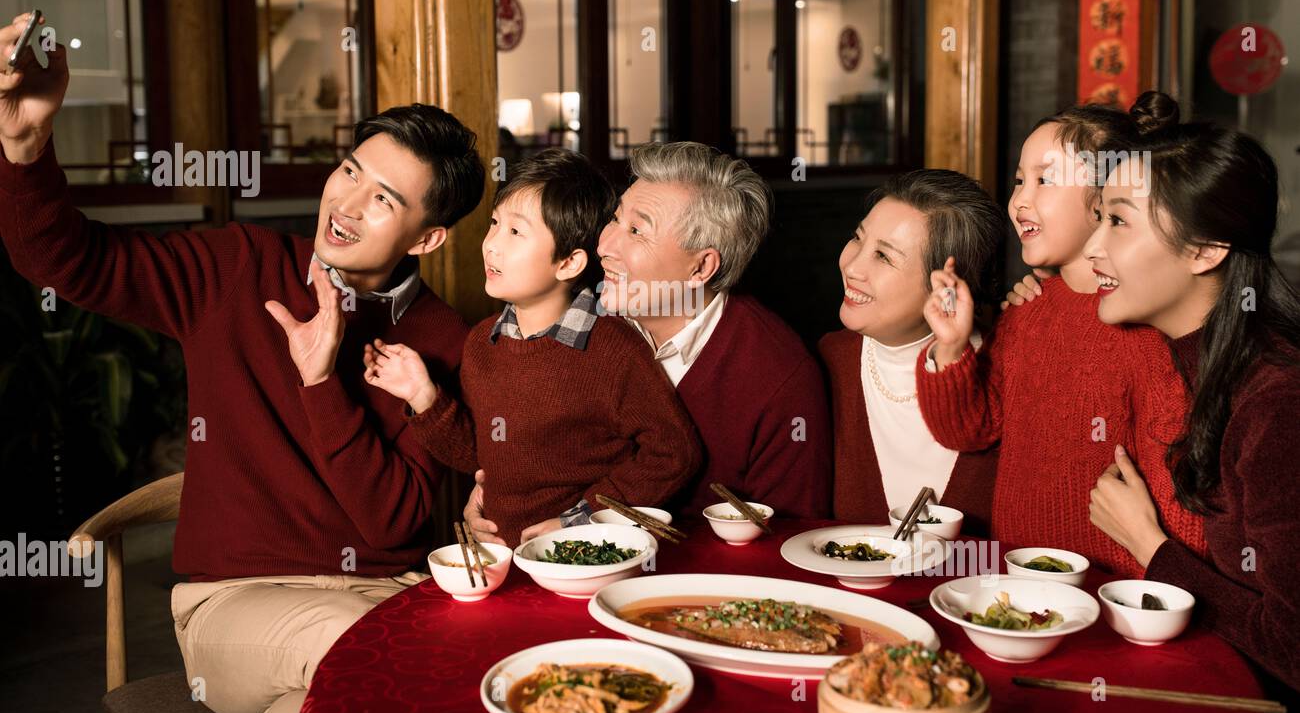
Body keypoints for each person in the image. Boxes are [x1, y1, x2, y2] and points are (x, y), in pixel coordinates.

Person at [0, 12, 484, 713]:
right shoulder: (236, 267)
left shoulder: (442, 336)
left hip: (384, 590)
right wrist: (25, 142)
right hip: (232, 607)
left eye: (383, 199)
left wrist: (322, 388)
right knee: (404, 657)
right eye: (350, 171)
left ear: (429, 235)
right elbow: (71, 261)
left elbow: (393, 521)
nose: (345, 206)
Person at [914, 101, 1207, 577]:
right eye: (1018, 180)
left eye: (1044, 180)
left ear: (1103, 200)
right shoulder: (1027, 312)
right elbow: (970, 430)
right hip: (1015, 578)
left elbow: (1180, 496)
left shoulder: (1146, 330)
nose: (1020, 201)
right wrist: (950, 346)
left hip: (1109, 592)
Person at [365, 149, 701, 547]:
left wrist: (582, 520)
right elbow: (481, 455)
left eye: (515, 232)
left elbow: (672, 453)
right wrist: (423, 396)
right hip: (503, 559)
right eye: (494, 224)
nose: (491, 245)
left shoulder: (612, 350)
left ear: (569, 263)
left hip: (582, 559)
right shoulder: (483, 343)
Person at [1083, 93, 1300, 693]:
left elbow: (1292, 643)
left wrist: (1151, 547)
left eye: (1119, 221)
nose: (1094, 246)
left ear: (1206, 249)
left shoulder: (1278, 400)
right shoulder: (1195, 356)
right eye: (1098, 217)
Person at [593, 141, 832, 517]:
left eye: (637, 230)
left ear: (701, 268)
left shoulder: (780, 376)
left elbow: (789, 541)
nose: (605, 245)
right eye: (615, 218)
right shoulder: (583, 326)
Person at [818, 169, 1001, 531]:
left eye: (883, 257)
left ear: (945, 286)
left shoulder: (1009, 370)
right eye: (858, 238)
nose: (851, 266)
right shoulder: (828, 362)